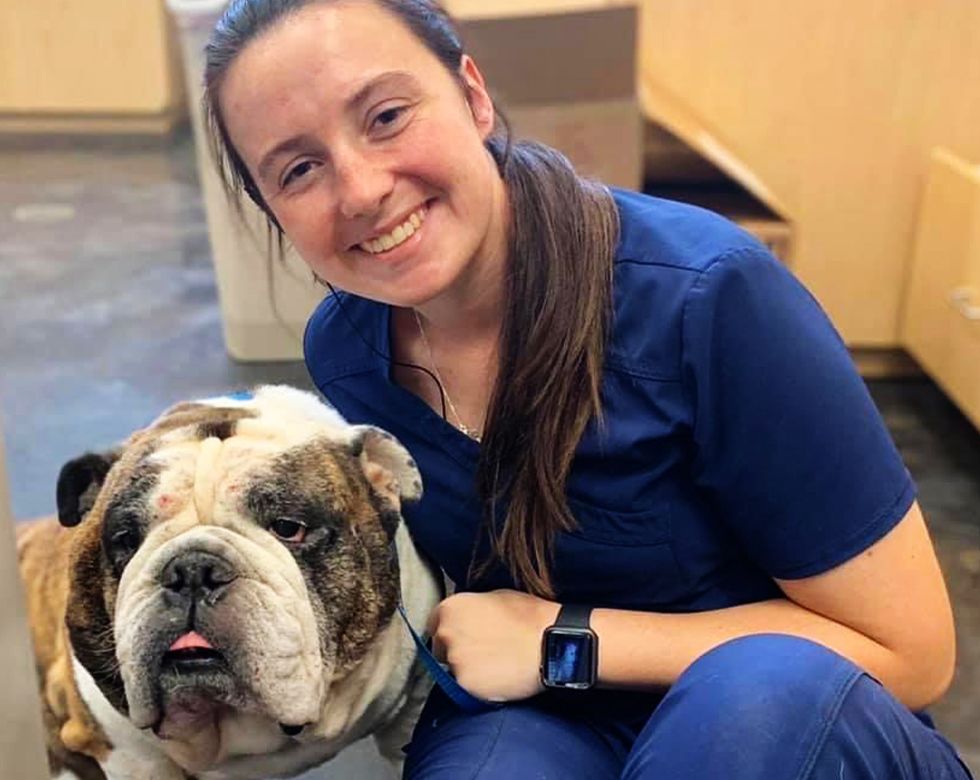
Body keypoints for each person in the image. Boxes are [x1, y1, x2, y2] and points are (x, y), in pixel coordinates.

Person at [202, 1, 974, 777]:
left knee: (753, 703)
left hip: (790, 721)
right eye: (298, 169)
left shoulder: (706, 299)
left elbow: (910, 653)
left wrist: (561, 639)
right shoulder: (346, 352)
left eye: (387, 115)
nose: (361, 189)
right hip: (559, 717)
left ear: (472, 95)